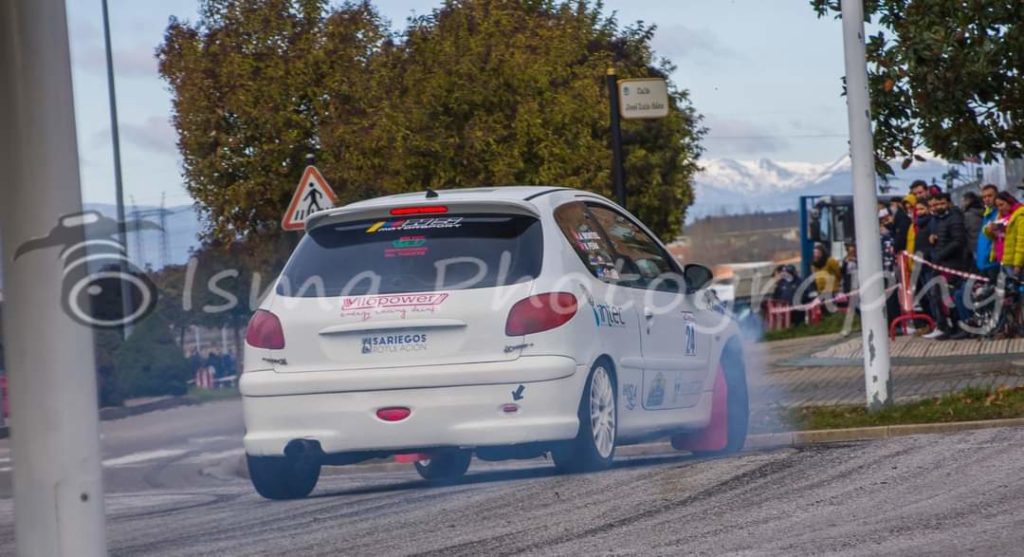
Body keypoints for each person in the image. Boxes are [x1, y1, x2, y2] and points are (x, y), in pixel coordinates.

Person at [923, 193, 969, 339]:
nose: (937, 208)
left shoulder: (954, 218)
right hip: (940, 263)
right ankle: (947, 326)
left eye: (940, 204)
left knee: (949, 297)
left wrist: (940, 254)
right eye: (935, 205)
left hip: (952, 264)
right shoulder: (937, 220)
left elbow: (958, 241)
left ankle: (957, 326)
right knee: (938, 296)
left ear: (948, 203)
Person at [976, 184, 1000, 280]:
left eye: (990, 196)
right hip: (984, 262)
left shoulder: (1000, 213)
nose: (987, 199)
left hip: (994, 262)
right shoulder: (987, 214)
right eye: (984, 197)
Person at [961, 191, 985, 262]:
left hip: (974, 247)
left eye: (963, 201)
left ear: (968, 201)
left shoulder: (967, 215)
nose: (962, 204)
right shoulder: (983, 211)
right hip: (985, 245)